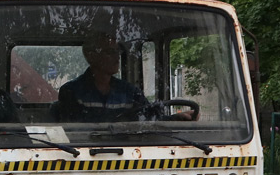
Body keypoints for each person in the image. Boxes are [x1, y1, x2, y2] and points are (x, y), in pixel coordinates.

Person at [56, 31, 195, 123]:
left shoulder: (129, 91)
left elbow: (149, 119)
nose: (117, 57)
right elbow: (74, 134)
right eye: (110, 52)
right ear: (90, 55)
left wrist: (176, 118)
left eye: (118, 51)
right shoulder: (72, 91)